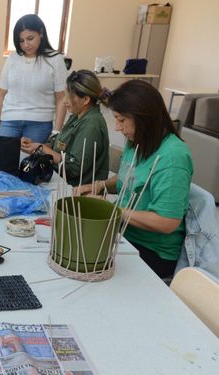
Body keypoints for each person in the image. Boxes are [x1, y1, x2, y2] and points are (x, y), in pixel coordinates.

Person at [74, 80, 193, 278]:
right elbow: (129, 179)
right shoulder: (137, 140)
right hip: (124, 234)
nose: (117, 128)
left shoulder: (173, 157)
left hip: (153, 251)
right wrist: (100, 186)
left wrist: (111, 210)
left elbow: (167, 221)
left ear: (143, 118)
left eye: (121, 120)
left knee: (83, 269)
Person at [21, 70, 109, 186]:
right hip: (60, 178)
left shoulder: (91, 124)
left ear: (86, 100)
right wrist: (35, 146)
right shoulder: (77, 116)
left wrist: (42, 148)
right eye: (65, 95)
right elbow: (57, 144)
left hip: (76, 189)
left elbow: (75, 167)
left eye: (69, 96)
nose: (64, 101)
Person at [0, 14, 68, 143]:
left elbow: (61, 98)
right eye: (21, 41)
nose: (26, 45)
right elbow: (1, 94)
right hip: (9, 119)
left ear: (41, 33)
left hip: (40, 122)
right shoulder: (13, 58)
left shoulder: (55, 59)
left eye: (30, 38)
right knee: (3, 160)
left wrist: (56, 131)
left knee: (31, 162)